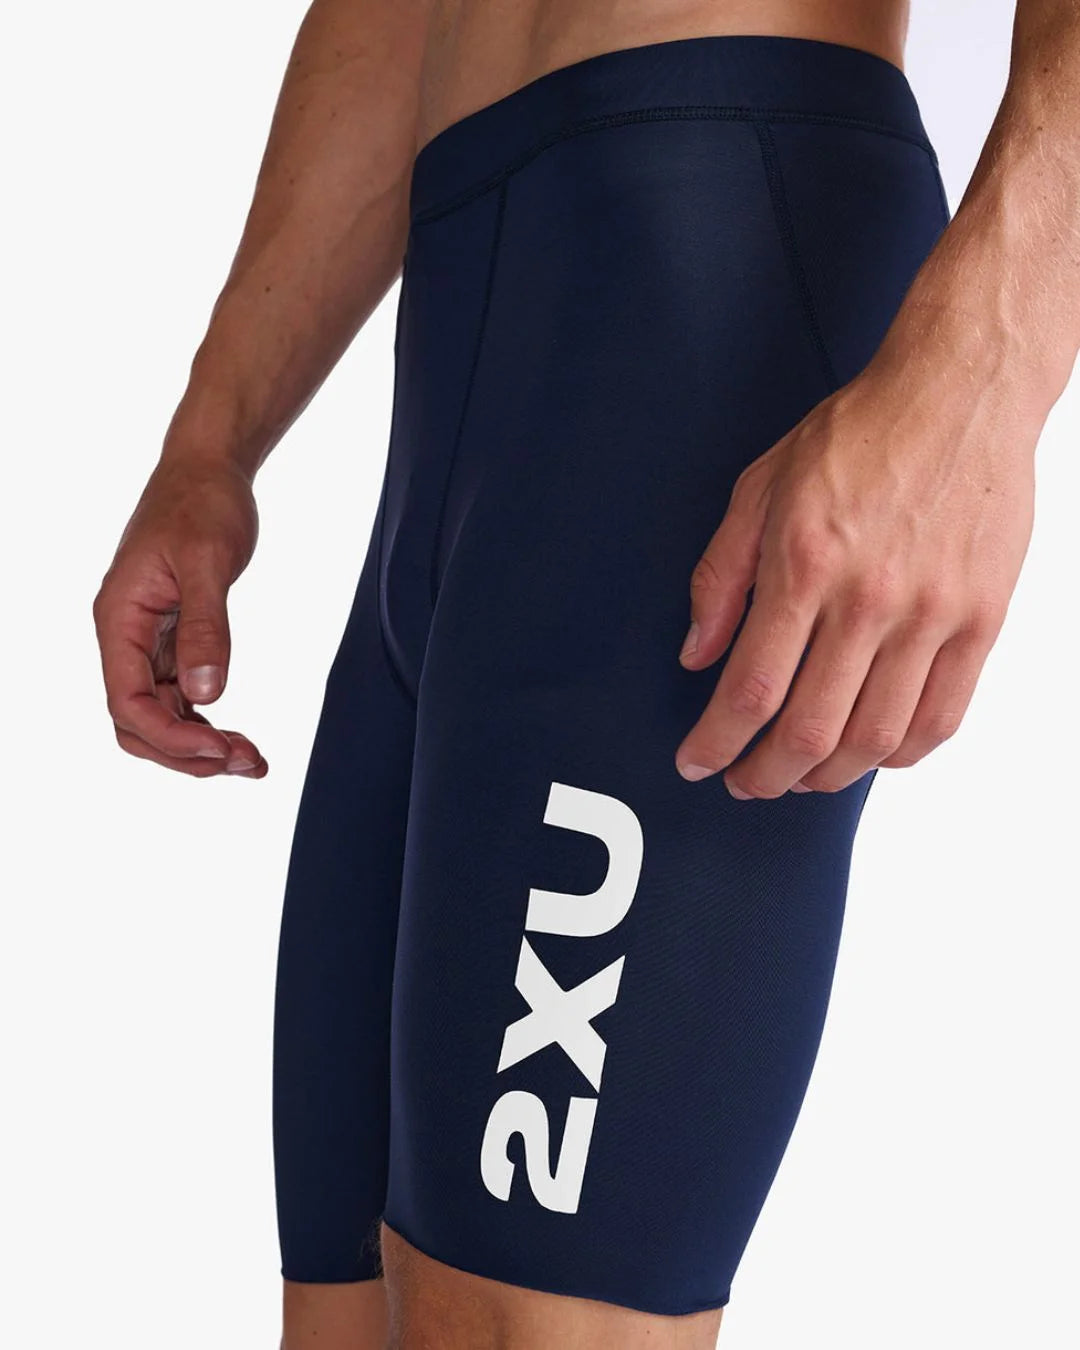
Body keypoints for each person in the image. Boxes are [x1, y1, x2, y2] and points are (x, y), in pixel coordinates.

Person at [92, 1, 1079, 1346]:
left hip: (707, 292)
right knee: (349, 1318)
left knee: (525, 1316)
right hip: (473, 338)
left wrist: (991, 369)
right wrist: (211, 440)